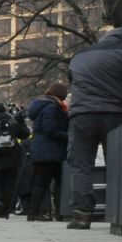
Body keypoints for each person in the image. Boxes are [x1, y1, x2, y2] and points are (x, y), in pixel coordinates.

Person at [65, 3, 122, 229]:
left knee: (81, 165)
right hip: (116, 113)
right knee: (118, 163)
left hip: (81, 116)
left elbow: (72, 80)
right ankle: (120, 214)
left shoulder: (80, 55)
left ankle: (81, 214)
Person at [25, 81, 70, 220]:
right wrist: (68, 136)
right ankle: (38, 213)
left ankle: (36, 212)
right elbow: (50, 129)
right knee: (49, 182)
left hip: (43, 149)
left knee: (43, 182)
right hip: (50, 150)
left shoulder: (44, 106)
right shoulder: (52, 107)